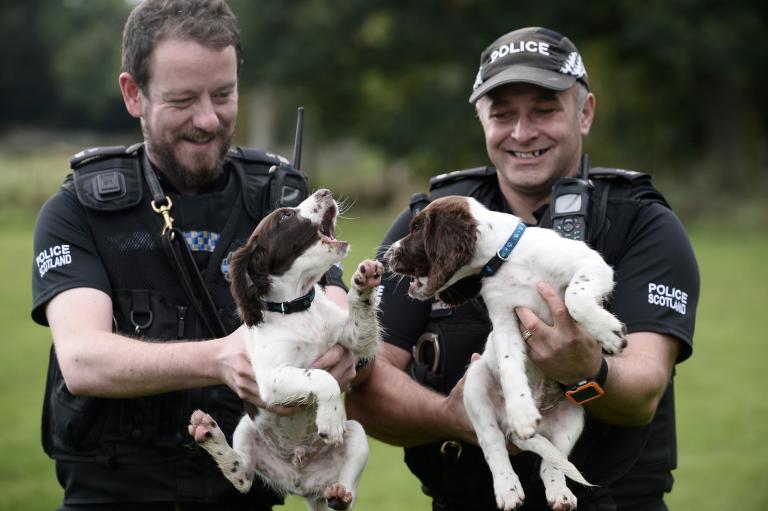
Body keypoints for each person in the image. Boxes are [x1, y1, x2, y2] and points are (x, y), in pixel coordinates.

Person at [346, 27, 700, 511]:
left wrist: (586, 370)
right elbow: (362, 382)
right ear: (481, 120)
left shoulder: (641, 223)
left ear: (586, 113)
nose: (521, 132)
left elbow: (642, 390)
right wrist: (450, 416)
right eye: (503, 113)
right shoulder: (430, 226)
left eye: (544, 109)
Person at [31, 1, 357, 509]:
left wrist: (338, 359)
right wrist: (220, 359)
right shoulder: (77, 210)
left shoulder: (278, 201)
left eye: (223, 94)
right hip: (111, 494)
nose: (208, 119)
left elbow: (335, 309)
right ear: (133, 94)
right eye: (183, 99)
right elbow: (82, 360)